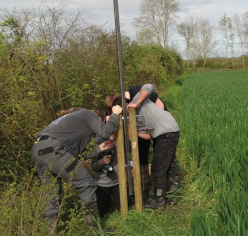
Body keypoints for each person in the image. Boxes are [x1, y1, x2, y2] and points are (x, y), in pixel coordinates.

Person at [32, 106, 120, 234]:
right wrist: (115, 114)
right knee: (86, 183)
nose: (95, 131)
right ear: (97, 117)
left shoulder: (68, 122)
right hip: (54, 149)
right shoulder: (87, 114)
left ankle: (51, 232)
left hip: (38, 150)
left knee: (52, 195)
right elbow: (105, 132)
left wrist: (98, 149)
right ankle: (95, 230)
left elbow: (76, 156)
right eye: (98, 122)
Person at [127, 83, 180, 209]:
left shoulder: (136, 99)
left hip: (165, 133)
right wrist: (135, 133)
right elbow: (148, 136)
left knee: (158, 169)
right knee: (170, 164)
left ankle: (158, 200)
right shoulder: (134, 118)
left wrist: (136, 103)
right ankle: (173, 195)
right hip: (171, 130)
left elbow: (149, 86)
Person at [92, 129, 120, 218]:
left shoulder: (119, 142)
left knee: (122, 207)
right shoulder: (96, 144)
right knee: (102, 212)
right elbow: (93, 166)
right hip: (102, 184)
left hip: (118, 182)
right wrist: (102, 162)